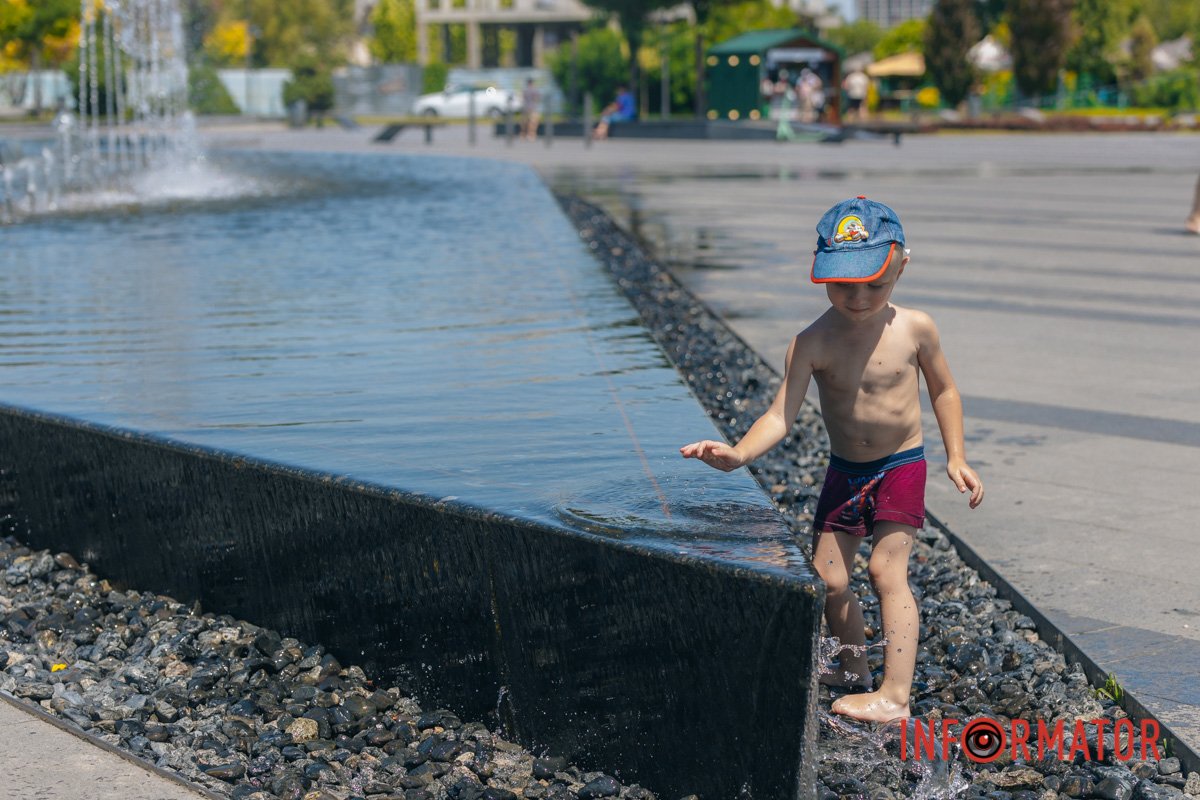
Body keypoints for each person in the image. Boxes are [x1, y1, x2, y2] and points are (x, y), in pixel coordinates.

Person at [679, 196, 984, 724]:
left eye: (875, 285)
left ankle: (895, 695)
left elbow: (944, 390)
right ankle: (852, 669)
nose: (859, 298)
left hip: (901, 464)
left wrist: (956, 455)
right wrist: (738, 453)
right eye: (844, 285)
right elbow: (779, 415)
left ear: (901, 267)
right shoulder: (811, 342)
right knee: (830, 579)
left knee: (886, 570)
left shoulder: (915, 329)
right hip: (846, 471)